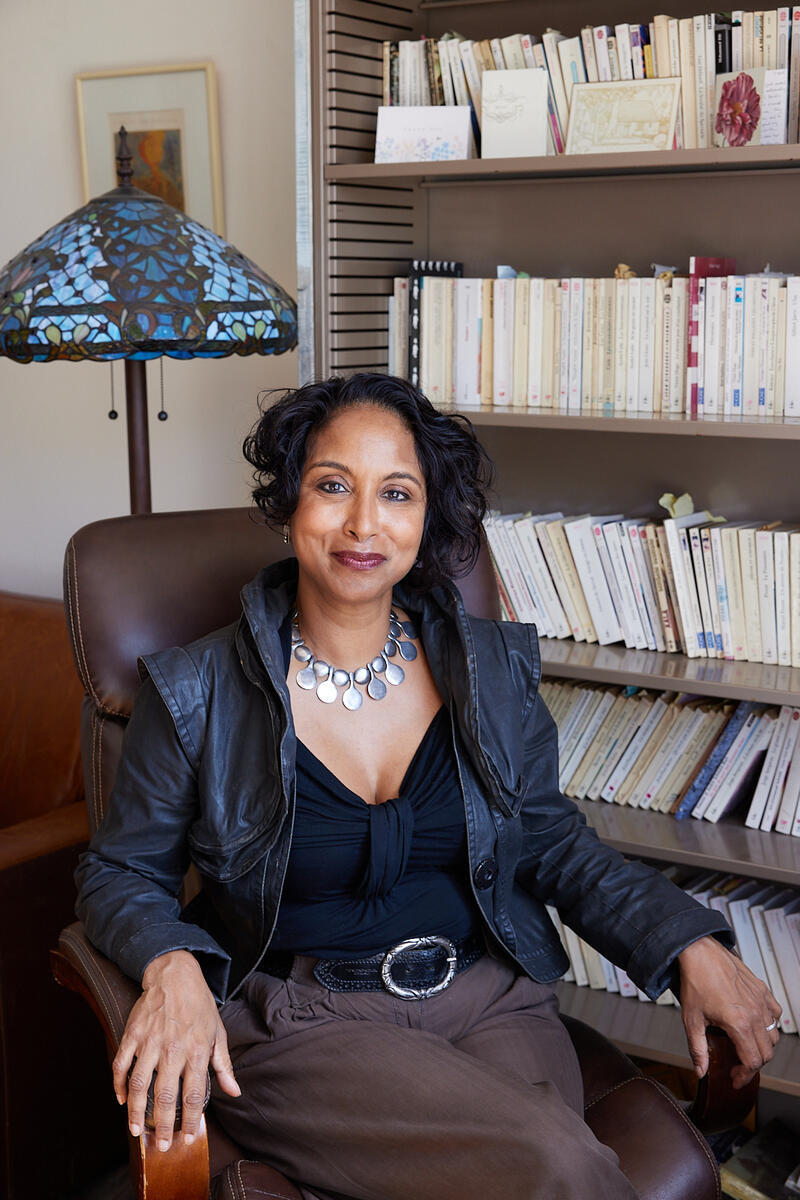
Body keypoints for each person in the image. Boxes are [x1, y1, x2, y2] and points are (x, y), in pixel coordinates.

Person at [75, 373, 781, 1200]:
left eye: (397, 494)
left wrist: (686, 941)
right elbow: (121, 872)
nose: (363, 524)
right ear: (289, 504)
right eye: (332, 486)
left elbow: (550, 839)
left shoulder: (487, 668)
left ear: (425, 517)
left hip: (491, 1000)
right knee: (560, 1165)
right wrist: (171, 965)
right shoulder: (195, 689)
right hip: (306, 1021)